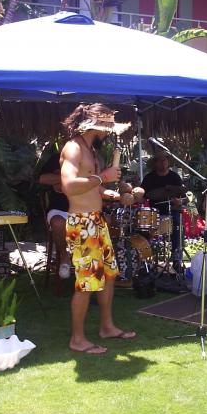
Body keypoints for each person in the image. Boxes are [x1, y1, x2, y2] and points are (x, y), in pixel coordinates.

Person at [60, 103, 136, 354]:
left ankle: (107, 327)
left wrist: (108, 192)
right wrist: (103, 176)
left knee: (109, 275)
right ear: (97, 126)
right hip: (82, 223)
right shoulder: (73, 148)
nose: (108, 133)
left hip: (96, 221)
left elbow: (89, 183)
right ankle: (77, 339)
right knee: (87, 282)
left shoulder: (90, 150)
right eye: (107, 128)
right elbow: (69, 186)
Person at [140, 150, 187, 268]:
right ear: (155, 163)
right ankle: (145, 261)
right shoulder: (149, 178)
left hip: (172, 211)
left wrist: (179, 201)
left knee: (177, 224)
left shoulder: (174, 177)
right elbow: (142, 197)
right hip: (154, 213)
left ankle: (176, 259)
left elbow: (183, 197)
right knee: (141, 227)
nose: (162, 162)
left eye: (164, 159)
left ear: (168, 161)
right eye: (160, 160)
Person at [38, 151, 71, 279]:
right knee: (58, 223)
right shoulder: (57, 158)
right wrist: (67, 177)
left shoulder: (90, 156)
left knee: (103, 220)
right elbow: (42, 178)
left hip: (83, 208)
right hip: (59, 209)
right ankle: (64, 255)